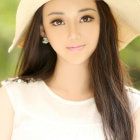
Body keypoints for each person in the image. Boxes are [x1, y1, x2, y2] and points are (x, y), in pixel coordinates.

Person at [0, 0, 140, 139]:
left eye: (85, 18)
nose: (73, 34)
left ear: (102, 23)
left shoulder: (133, 108)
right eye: (58, 21)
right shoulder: (12, 99)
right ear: (43, 30)